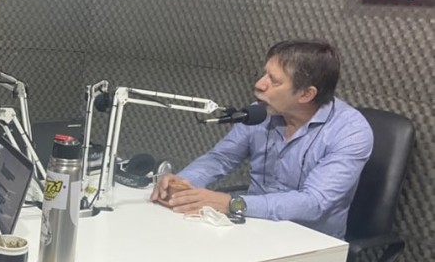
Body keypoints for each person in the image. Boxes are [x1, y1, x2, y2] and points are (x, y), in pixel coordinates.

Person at [150, 40, 373, 239]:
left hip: (308, 244)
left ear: (306, 94)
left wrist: (232, 203)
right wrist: (183, 184)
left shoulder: (350, 131)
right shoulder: (261, 113)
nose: (259, 84)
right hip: (252, 228)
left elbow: (314, 203)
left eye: (274, 81)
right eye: (264, 74)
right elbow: (221, 158)